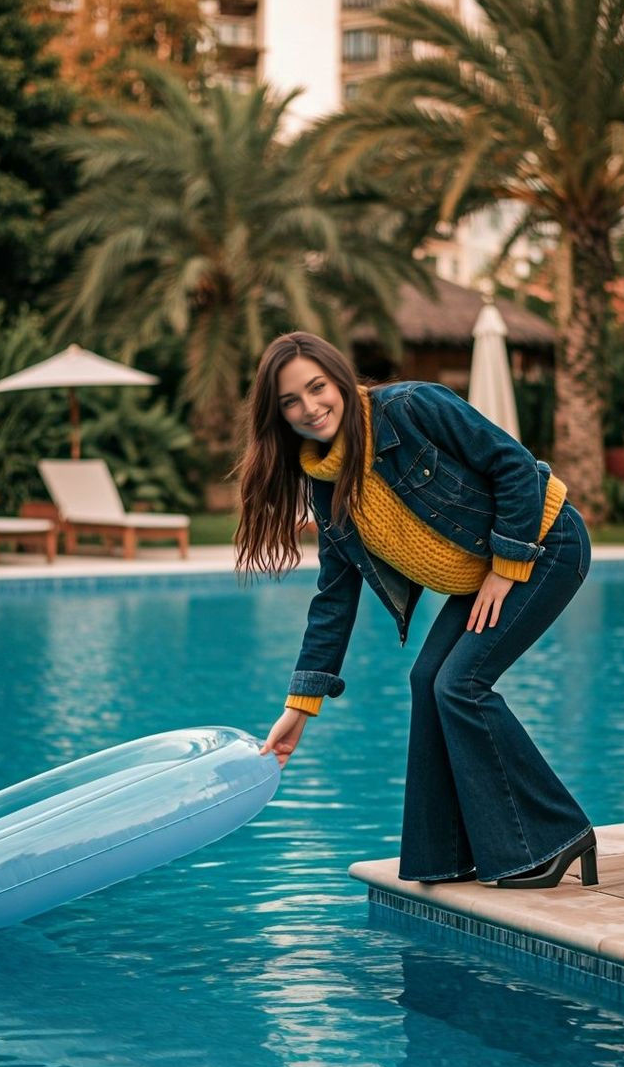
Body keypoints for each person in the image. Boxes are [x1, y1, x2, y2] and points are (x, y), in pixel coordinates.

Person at [234, 331, 597, 889]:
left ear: (338, 379)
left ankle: (551, 835)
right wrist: (300, 707)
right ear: (278, 416)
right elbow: (333, 599)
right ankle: (445, 856)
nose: (310, 408)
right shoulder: (326, 489)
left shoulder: (411, 407)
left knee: (460, 684)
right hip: (487, 575)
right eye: (291, 402)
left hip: (545, 543)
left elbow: (515, 466)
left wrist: (507, 564)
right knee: (427, 678)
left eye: (316, 388)